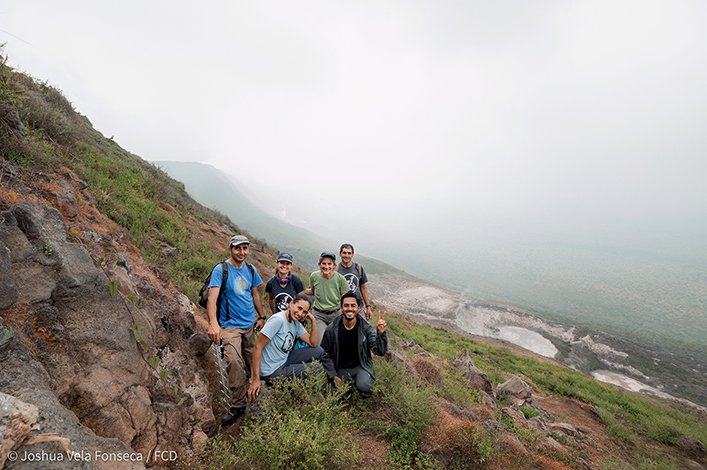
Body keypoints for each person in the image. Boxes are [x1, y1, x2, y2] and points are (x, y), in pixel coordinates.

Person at [206, 234, 266, 427]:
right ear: (230, 249)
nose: (241, 252)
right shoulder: (221, 269)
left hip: (249, 325)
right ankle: (238, 405)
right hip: (230, 326)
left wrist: (262, 316)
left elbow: (255, 293)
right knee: (233, 360)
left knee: (252, 362)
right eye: (237, 248)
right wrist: (213, 324)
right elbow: (212, 299)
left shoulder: (250, 268)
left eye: (245, 248)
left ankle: (254, 390)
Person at [247, 294, 324, 400]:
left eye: (305, 312)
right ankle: (307, 395)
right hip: (272, 371)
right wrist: (255, 379)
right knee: (318, 368)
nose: (300, 314)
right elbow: (257, 347)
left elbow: (313, 343)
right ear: (291, 303)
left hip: (284, 359)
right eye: (299, 308)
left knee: (318, 351)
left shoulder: (295, 323)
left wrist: (313, 320)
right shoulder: (278, 320)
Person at [321, 291, 388, 397]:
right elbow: (325, 353)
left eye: (353, 306)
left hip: (360, 366)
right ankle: (348, 386)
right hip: (340, 368)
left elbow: (379, 351)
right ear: (341, 307)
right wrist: (333, 375)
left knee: (365, 387)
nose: (349, 309)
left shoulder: (366, 328)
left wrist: (381, 334)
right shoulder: (332, 329)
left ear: (358, 308)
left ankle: (360, 382)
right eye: (346, 305)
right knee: (331, 399)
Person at [304, 251, 350, 344]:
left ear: (334, 265)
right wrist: (299, 290)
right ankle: (321, 358)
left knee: (337, 341)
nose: (326, 266)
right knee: (320, 342)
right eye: (323, 263)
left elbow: (347, 296)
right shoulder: (314, 276)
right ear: (319, 265)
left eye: (329, 264)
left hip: (336, 315)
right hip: (319, 314)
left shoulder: (340, 279)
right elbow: (313, 291)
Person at [337, 243, 373, 320]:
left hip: (358, 307)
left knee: (362, 330)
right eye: (344, 253)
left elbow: (363, 288)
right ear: (340, 254)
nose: (346, 255)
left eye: (349, 253)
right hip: (343, 308)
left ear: (352, 255)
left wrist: (368, 307)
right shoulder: (335, 270)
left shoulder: (358, 268)